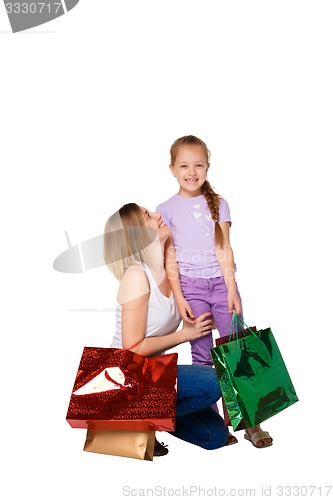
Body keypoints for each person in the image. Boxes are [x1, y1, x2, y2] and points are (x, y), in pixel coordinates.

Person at [155, 135, 273, 448]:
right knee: (202, 356)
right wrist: (179, 297)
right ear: (172, 169)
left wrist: (232, 289)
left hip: (221, 285)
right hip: (191, 288)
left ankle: (252, 422)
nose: (191, 171)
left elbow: (225, 250)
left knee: (238, 352)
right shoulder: (165, 208)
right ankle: (217, 424)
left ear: (208, 167)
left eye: (198, 164)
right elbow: (170, 258)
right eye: (184, 165)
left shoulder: (219, 203)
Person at [104, 203, 230, 455]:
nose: (159, 215)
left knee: (214, 437)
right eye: (148, 216)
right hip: (127, 378)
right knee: (213, 382)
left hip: (153, 379)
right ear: (136, 233)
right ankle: (127, 420)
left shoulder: (174, 274)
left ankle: (145, 422)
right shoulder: (136, 276)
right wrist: (185, 335)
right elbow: (133, 348)